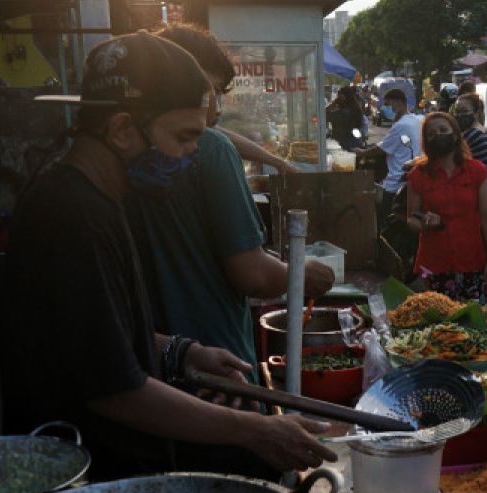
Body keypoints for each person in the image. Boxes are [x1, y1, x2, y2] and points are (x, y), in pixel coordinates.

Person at [0, 31, 337, 481]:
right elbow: (113, 390)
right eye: (183, 137)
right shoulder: (71, 217)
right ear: (122, 129)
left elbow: (93, 334)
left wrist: (181, 351)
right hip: (81, 480)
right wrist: (255, 430)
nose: (193, 152)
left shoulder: (99, 196)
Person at [124, 23, 334, 386]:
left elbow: (215, 134)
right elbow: (251, 274)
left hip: (147, 361)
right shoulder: (210, 152)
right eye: (205, 91)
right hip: (217, 365)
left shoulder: (128, 150)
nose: (213, 108)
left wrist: (279, 163)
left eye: (217, 93)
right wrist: (302, 272)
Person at [405, 112, 487, 300]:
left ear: (455, 134)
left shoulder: (477, 171)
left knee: (473, 324)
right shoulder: (418, 175)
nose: (438, 135)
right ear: (426, 142)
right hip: (434, 264)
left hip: (472, 260)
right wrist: (425, 222)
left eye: (443, 130)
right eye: (431, 133)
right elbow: (411, 218)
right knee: (439, 325)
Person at [357, 88, 424, 212]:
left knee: (385, 218)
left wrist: (361, 153)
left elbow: (381, 149)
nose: (386, 109)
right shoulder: (418, 119)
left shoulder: (401, 125)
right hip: (414, 179)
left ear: (399, 102)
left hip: (396, 183)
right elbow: (390, 142)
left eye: (388, 105)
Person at [453, 92, 487, 181]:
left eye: (465, 111)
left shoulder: (473, 134)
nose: (460, 115)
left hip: (480, 186)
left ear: (476, 113)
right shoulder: (483, 130)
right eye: (457, 111)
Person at [326, 85, 367, 150]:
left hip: (345, 147)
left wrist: (334, 103)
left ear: (342, 98)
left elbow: (322, 117)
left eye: (338, 97)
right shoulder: (357, 110)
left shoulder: (342, 113)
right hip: (357, 144)